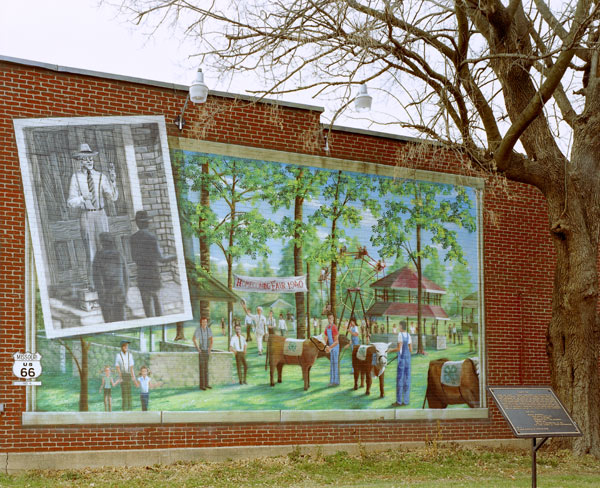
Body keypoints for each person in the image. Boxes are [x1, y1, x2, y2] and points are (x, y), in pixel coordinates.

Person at [67, 143, 119, 288]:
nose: (89, 161)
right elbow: (70, 202)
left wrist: (113, 181)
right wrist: (83, 198)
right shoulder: (75, 177)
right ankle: (94, 284)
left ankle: (108, 282)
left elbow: (112, 197)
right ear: (79, 161)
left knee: (105, 249)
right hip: (87, 216)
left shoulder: (100, 176)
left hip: (101, 214)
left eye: (91, 158)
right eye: (85, 159)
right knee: (91, 250)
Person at [130, 210, 177, 317]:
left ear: (137, 223)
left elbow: (134, 257)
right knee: (159, 309)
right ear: (147, 223)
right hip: (154, 276)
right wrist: (176, 256)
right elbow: (161, 259)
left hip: (142, 276)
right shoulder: (152, 237)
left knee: (148, 311)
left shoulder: (133, 238)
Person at [92, 232, 129, 323]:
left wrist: (101, 294)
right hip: (120, 293)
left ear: (102, 243)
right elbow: (126, 277)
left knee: (109, 321)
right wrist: (125, 292)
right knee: (121, 320)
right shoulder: (119, 254)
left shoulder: (98, 256)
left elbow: (96, 278)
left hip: (106, 295)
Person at [391, 321, 412, 407]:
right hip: (408, 360)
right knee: (407, 380)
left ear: (400, 326)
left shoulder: (400, 335)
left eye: (399, 326)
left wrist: (390, 350)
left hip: (402, 360)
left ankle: (399, 401)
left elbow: (399, 348)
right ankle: (406, 401)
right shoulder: (408, 335)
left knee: (400, 380)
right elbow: (410, 349)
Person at [193, 317, 213, 390]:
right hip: (201, 351)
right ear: (201, 323)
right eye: (203, 322)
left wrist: (209, 349)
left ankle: (206, 384)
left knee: (206, 368)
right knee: (202, 368)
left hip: (207, 350)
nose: (204, 323)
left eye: (205, 322)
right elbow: (194, 339)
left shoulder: (209, 330)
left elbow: (211, 340)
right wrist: (198, 348)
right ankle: (202, 385)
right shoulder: (198, 330)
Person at [115, 340, 135, 411]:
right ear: (122, 347)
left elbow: (131, 367)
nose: (126, 347)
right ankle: (124, 409)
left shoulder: (130, 355)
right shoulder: (118, 356)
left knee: (129, 393)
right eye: (125, 345)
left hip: (128, 375)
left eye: (127, 346)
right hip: (123, 374)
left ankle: (130, 408)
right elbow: (117, 367)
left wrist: (133, 377)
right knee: (124, 393)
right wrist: (120, 377)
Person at [324, 313, 340, 386]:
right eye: (329, 318)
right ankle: (332, 381)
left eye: (331, 318)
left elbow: (336, 341)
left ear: (333, 319)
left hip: (335, 347)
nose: (330, 320)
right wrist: (325, 346)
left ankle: (336, 382)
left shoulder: (334, 327)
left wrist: (330, 347)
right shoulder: (327, 327)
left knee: (335, 364)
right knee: (332, 364)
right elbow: (326, 337)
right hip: (330, 346)